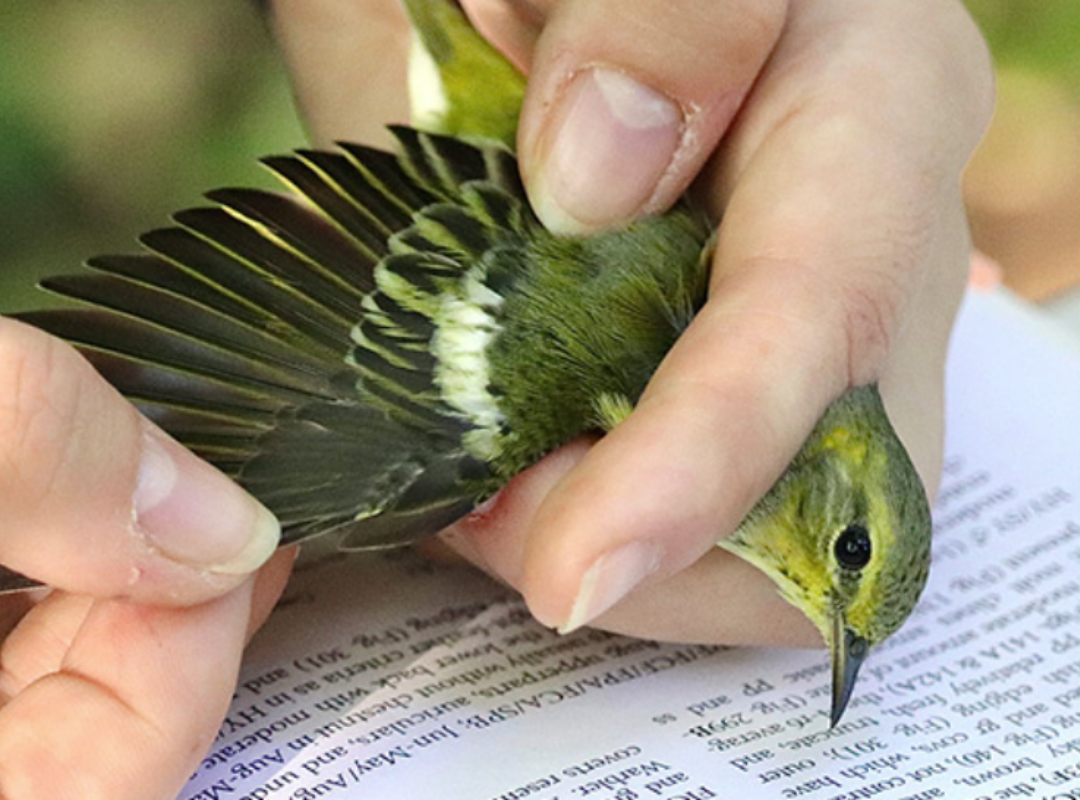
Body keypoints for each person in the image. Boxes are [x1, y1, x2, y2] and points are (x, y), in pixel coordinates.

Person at [0, 0, 993, 797]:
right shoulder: (598, 359)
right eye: (845, 557)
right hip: (494, 141)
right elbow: (346, 402)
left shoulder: (739, 372)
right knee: (402, 454)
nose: (825, 598)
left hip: (494, 132)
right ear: (834, 465)